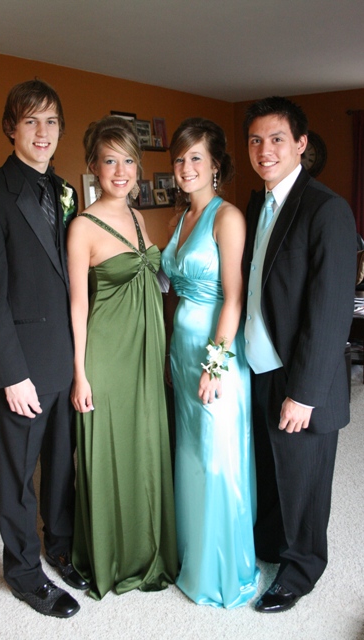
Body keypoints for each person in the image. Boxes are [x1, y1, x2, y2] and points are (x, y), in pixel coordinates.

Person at [0, 79, 87, 618]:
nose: (42, 132)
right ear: (12, 127)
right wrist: (10, 374)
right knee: (16, 478)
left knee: (61, 466)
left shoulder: (67, 192)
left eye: (51, 121)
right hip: (22, 369)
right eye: (31, 120)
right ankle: (24, 574)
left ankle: (60, 545)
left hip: (65, 359)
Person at [242, 96, 357, 613]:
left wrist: (304, 394)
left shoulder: (327, 209)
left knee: (304, 481)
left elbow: (330, 312)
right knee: (271, 471)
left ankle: (302, 569)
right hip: (259, 365)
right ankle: (270, 546)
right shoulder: (257, 204)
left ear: (300, 144)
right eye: (256, 140)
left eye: (276, 139)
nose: (265, 150)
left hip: (302, 376)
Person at [68, 115, 177, 600]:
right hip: (107, 355)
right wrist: (80, 374)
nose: (120, 171)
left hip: (146, 351)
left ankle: (148, 546)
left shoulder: (138, 217)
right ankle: (113, 555)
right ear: (93, 165)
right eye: (110, 161)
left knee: (147, 444)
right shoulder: (82, 226)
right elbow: (77, 304)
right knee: (111, 450)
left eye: (129, 161)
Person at [161, 117, 260, 608]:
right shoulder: (178, 220)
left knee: (217, 453)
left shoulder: (228, 217)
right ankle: (193, 557)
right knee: (191, 454)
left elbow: (234, 299)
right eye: (179, 159)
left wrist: (215, 365)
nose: (186, 167)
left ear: (216, 164)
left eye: (196, 157)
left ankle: (223, 570)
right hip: (181, 350)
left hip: (215, 351)